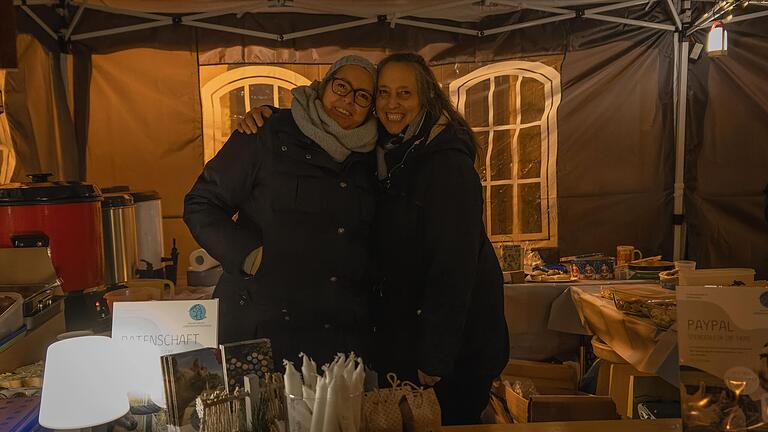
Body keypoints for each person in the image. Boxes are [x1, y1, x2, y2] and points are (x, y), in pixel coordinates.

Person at [237, 53, 509, 426]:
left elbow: (455, 266)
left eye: (404, 94)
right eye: (383, 93)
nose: (391, 104)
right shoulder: (389, 152)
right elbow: (318, 121)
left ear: (426, 99)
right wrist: (270, 115)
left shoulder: (445, 165)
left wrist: (436, 356)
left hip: (452, 352)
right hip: (404, 340)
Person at [184, 55, 379, 365]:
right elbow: (201, 203)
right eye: (341, 86)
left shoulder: (373, 157)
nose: (348, 100)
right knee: (260, 413)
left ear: (371, 108)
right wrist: (248, 255)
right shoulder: (268, 132)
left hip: (336, 337)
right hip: (262, 325)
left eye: (362, 96)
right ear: (322, 86)